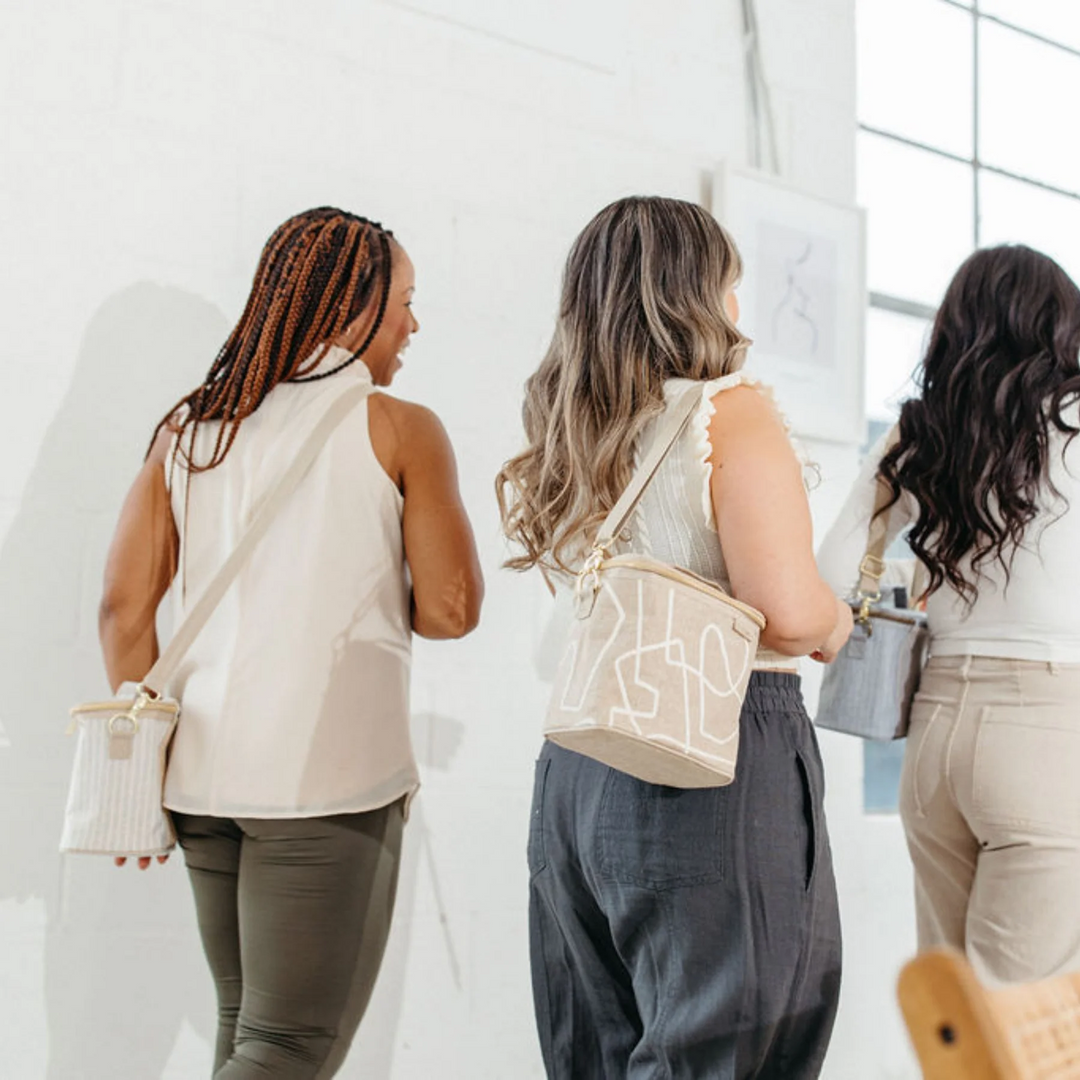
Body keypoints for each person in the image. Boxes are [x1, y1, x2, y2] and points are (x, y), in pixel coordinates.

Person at [97, 207, 484, 1078]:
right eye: (405, 304)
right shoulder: (399, 428)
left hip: (200, 782)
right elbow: (451, 611)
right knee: (286, 1051)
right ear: (355, 306)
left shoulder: (191, 429)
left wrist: (144, 760)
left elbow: (123, 611)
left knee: (247, 1031)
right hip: (326, 786)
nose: (413, 326)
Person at [497, 196, 851, 1079]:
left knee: (598, 1049)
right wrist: (840, 616)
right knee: (731, 1044)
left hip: (578, 764)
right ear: (698, 293)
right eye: (732, 285)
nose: (740, 309)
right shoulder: (727, 410)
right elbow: (786, 608)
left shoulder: (570, 428)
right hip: (713, 749)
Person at [817, 245, 1080, 987]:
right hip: (1050, 738)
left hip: (935, 740)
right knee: (1020, 1030)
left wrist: (929, 572)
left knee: (960, 1027)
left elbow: (834, 574)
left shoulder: (922, 431)